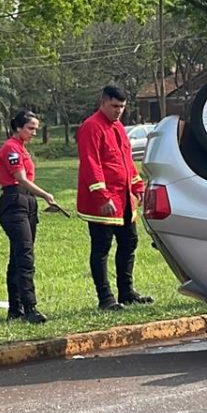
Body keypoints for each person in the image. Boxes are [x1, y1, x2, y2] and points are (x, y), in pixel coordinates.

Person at [76, 85, 153, 311]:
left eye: (122, 107)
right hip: (104, 202)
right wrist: (102, 196)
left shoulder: (118, 127)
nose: (118, 111)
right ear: (103, 102)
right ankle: (105, 298)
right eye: (114, 106)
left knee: (129, 243)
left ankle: (126, 291)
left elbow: (126, 160)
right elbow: (91, 164)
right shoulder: (91, 127)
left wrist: (138, 185)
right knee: (101, 248)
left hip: (125, 199)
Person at [0, 110, 59, 324]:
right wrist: (45, 195)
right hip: (14, 203)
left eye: (35, 129)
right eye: (30, 128)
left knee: (18, 257)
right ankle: (29, 308)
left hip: (27, 202)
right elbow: (20, 178)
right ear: (18, 127)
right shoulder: (11, 149)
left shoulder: (22, 149)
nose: (33, 133)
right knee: (25, 257)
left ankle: (16, 308)